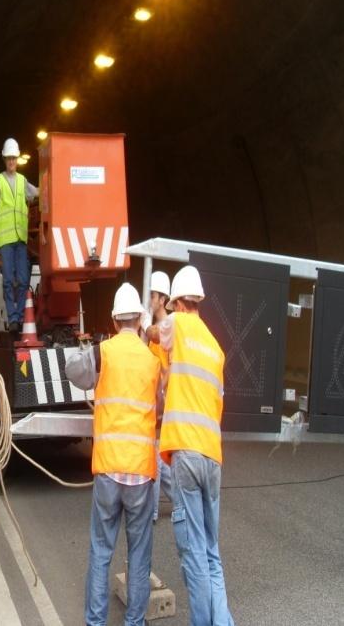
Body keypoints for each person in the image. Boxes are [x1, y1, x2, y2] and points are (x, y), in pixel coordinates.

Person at [65, 283, 160, 626]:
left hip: (108, 470)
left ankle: (95, 622)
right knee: (138, 557)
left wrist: (92, 350)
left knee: (101, 552)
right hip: (140, 473)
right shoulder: (152, 362)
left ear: (114, 319)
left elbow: (72, 371)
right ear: (139, 317)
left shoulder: (104, 353)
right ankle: (134, 622)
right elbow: (159, 406)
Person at [152, 265, 235, 625]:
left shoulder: (177, 324)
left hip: (184, 452)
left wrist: (145, 328)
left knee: (194, 555)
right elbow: (218, 405)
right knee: (211, 553)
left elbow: (156, 332)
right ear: (198, 300)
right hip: (212, 456)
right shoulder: (216, 349)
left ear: (177, 303)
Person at [0, 137, 39, 334]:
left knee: (23, 278)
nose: (11, 162)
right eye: (8, 158)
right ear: (4, 160)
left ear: (17, 160)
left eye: (13, 159)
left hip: (20, 238)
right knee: (9, 279)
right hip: (6, 241)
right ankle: (14, 318)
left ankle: (18, 314)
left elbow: (36, 193)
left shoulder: (22, 181)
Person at [141, 271, 173, 522]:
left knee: (155, 458)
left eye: (152, 296)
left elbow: (165, 372)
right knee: (160, 460)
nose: (149, 300)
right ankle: (182, 502)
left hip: (162, 405)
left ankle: (149, 511)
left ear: (162, 299)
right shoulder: (155, 333)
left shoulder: (168, 327)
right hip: (156, 403)